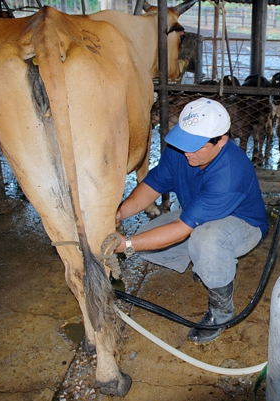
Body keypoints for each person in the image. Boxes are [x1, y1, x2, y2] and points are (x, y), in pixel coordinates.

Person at [114, 97, 269, 344]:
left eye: (196, 146)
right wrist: (117, 214)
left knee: (205, 239)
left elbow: (180, 227)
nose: (188, 152)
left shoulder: (230, 172)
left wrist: (127, 245)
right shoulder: (180, 151)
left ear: (221, 141)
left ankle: (221, 312)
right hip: (199, 212)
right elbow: (151, 187)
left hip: (243, 223)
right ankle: (207, 262)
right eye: (184, 142)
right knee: (149, 247)